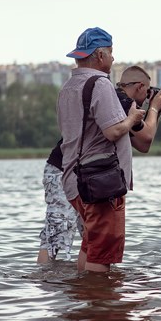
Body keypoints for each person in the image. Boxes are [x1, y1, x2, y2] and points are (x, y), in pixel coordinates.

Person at [38, 65, 161, 264]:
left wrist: (155, 112)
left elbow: (140, 142)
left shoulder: (114, 100)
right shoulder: (121, 102)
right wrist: (154, 108)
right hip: (69, 171)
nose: (146, 99)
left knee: (85, 236)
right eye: (147, 93)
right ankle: (55, 280)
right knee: (60, 231)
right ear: (139, 87)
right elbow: (145, 139)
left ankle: (65, 284)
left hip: (71, 169)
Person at [57, 27, 146, 273]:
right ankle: (100, 307)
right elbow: (113, 131)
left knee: (91, 243)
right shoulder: (100, 84)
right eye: (110, 53)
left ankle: (84, 300)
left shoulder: (68, 87)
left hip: (75, 179)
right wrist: (132, 118)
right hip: (100, 183)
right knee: (102, 251)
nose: (113, 59)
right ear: (99, 55)